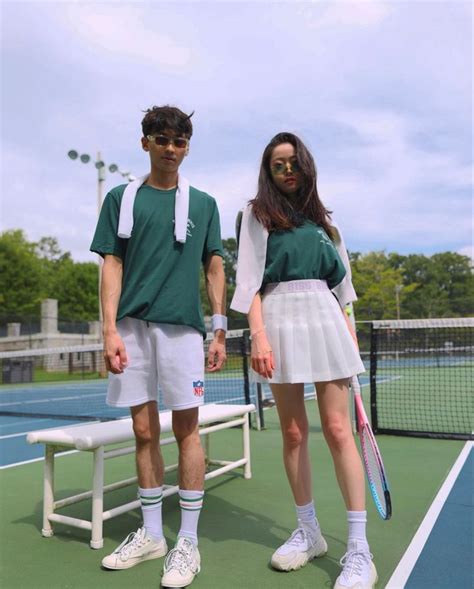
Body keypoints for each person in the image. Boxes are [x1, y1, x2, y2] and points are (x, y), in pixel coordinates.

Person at [231, 132, 377, 589]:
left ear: (306, 166)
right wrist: (258, 337)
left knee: (338, 430)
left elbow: (344, 293)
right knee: (293, 431)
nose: (287, 170)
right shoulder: (255, 216)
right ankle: (309, 532)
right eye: (278, 164)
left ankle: (359, 550)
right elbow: (250, 282)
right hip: (276, 320)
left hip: (326, 319)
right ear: (268, 171)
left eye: (293, 162)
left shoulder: (328, 226)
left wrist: (349, 338)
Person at [90, 105, 227, 588]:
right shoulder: (121, 198)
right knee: (144, 431)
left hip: (183, 330)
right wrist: (108, 329)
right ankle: (152, 534)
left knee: (188, 432)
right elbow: (111, 265)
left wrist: (219, 327)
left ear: (187, 147)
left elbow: (214, 266)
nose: (171, 148)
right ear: (145, 142)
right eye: (162, 139)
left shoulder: (204, 203)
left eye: (180, 141)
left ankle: (186, 540)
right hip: (130, 327)